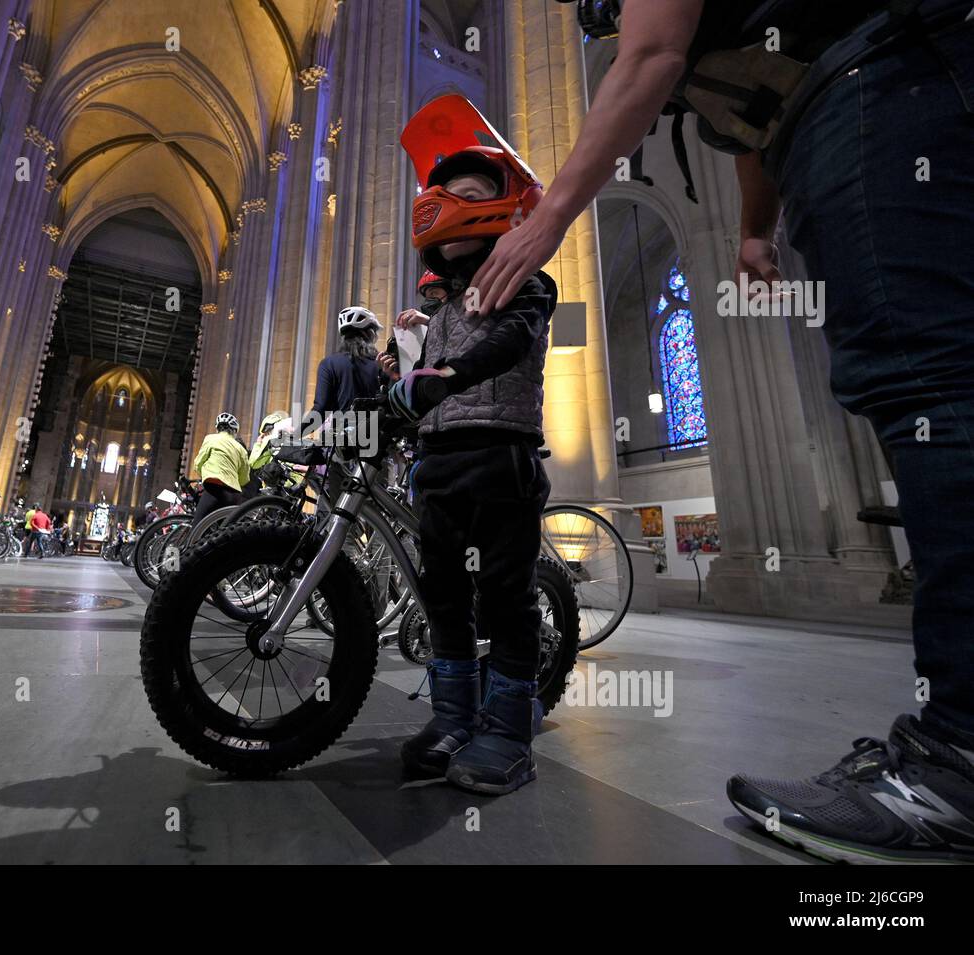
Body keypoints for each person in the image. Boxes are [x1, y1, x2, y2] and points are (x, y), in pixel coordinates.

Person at [472, 0, 974, 860]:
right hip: (856, 95)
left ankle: (958, 761)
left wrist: (546, 218)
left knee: (931, 387)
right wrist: (752, 227)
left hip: (881, 84)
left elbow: (655, 54)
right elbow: (749, 115)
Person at [383, 95, 558, 795]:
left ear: (503, 211)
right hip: (441, 467)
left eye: (468, 194)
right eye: (439, 193)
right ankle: (455, 716)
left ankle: (509, 730)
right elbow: (408, 384)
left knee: (506, 597)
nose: (445, 206)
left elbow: (508, 341)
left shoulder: (525, 284)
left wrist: (445, 375)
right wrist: (390, 386)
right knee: (444, 597)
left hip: (502, 460)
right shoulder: (440, 309)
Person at [302, 307, 384, 441]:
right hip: (378, 442)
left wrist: (297, 434)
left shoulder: (329, 363)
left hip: (343, 443)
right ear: (369, 333)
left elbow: (321, 408)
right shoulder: (382, 363)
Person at [191, 412, 250, 523]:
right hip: (233, 494)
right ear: (234, 431)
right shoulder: (241, 449)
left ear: (218, 428)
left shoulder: (211, 439)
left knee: (198, 527)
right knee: (223, 531)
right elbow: (244, 478)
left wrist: (204, 474)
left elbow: (198, 463)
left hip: (214, 487)